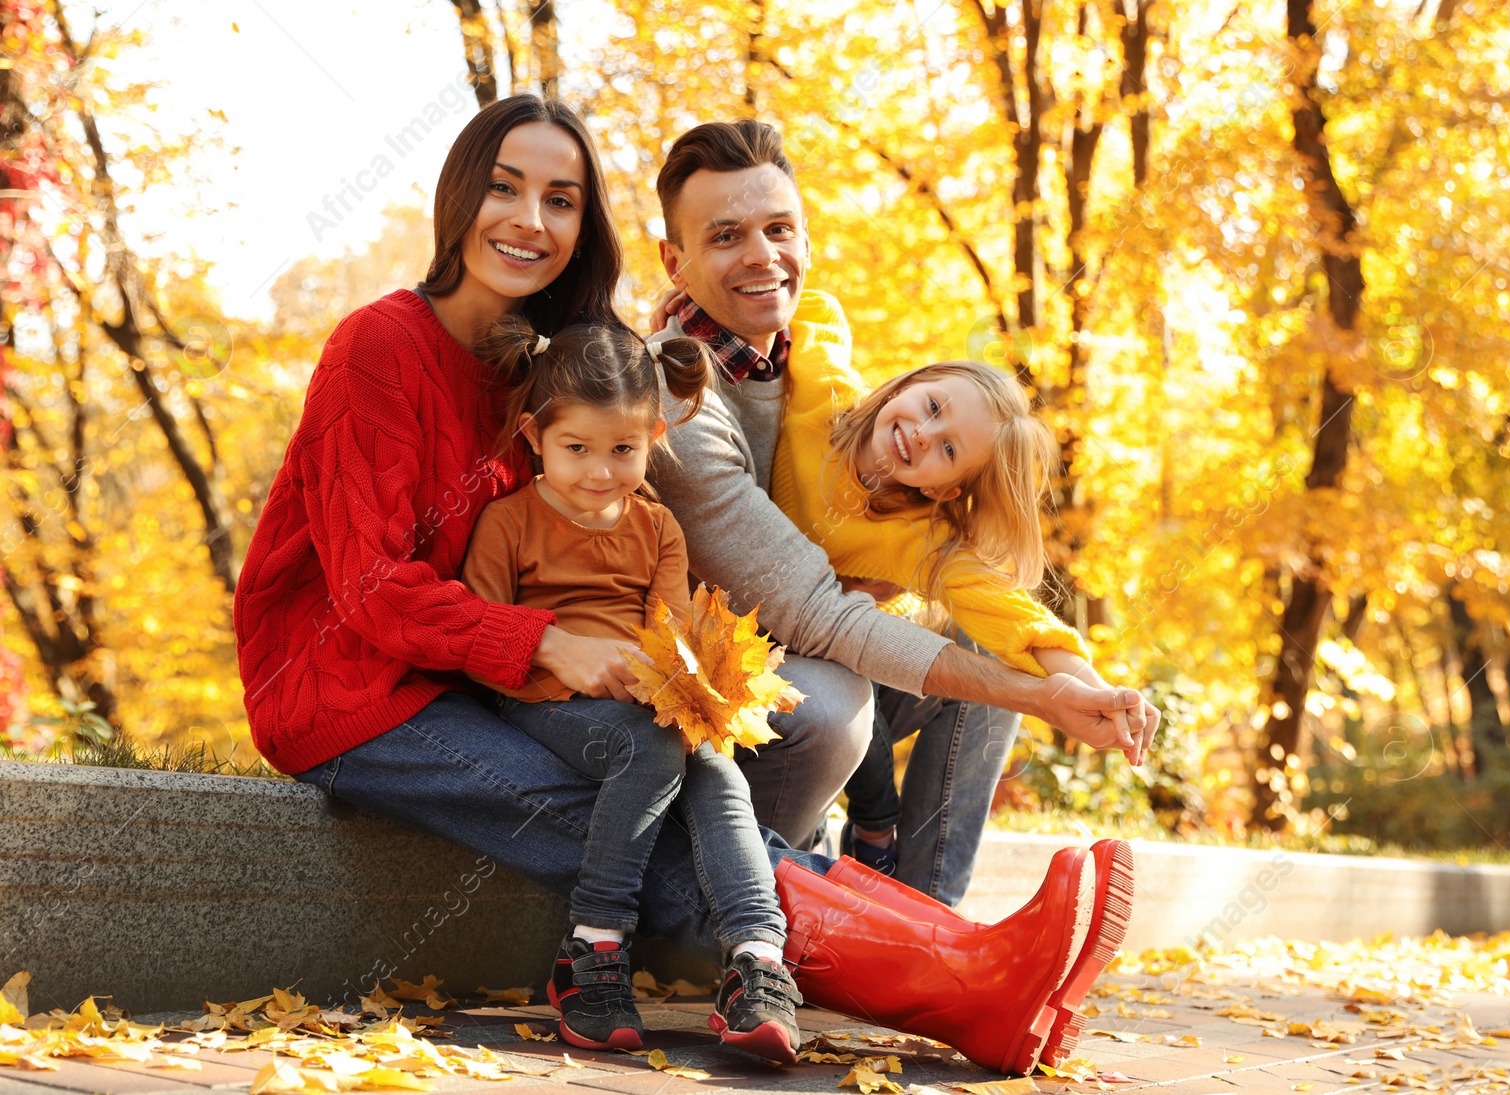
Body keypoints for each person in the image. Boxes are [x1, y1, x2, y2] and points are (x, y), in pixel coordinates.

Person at [234, 94, 1131, 1077]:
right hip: (357, 697)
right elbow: (367, 590)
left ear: (585, 226)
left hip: (490, 680)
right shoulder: (382, 346)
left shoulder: (558, 364)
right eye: (505, 189)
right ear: (458, 199)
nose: (530, 220)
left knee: (696, 780)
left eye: (561, 199)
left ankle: (968, 954)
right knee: (652, 819)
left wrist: (1054, 673)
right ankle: (967, 981)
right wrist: (547, 644)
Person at [647, 118, 1163, 906]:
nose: (761, 255)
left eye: (779, 229)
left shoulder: (898, 497)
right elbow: (815, 609)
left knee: (986, 654)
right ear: (674, 259)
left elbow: (1010, 610)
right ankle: (751, 902)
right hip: (716, 665)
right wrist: (1037, 694)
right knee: (834, 705)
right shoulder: (690, 390)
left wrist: (1085, 688)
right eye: (725, 235)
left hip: (816, 631)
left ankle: (930, 911)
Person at [457, 321, 802, 1060]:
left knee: (716, 771)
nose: (598, 471)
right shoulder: (507, 522)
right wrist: (569, 659)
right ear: (534, 436)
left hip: (648, 707)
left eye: (622, 450)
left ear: (651, 436)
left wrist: (689, 680)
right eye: (575, 448)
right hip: (545, 700)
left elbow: (670, 633)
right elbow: (482, 648)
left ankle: (757, 959)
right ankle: (593, 945)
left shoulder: (658, 528)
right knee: (650, 744)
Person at [768, 354, 1143, 876]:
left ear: (943, 489)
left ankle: (926, 906)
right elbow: (812, 306)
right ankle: (869, 840)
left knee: (990, 654)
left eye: (947, 449)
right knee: (843, 675)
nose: (923, 433)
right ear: (909, 380)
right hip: (759, 660)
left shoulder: (920, 538)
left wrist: (1100, 692)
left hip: (836, 662)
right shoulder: (822, 394)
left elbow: (1015, 620)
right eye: (932, 406)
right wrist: (688, 301)